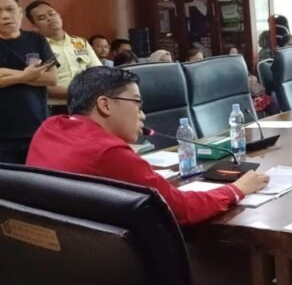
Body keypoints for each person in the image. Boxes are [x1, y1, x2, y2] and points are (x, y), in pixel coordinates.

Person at [26, 67, 269, 226]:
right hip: (115, 272)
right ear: (105, 105)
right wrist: (236, 189)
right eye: (137, 104)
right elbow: (181, 210)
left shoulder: (48, 128)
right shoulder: (108, 153)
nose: (142, 115)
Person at [0, 0, 58, 163]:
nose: (5, 16)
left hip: (38, 129)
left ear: (19, 11)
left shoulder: (36, 39)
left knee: (42, 177)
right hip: (3, 137)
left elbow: (51, 78)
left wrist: (7, 74)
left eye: (9, 9)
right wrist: (25, 76)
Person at [25, 0, 103, 115]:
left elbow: (99, 71)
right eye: (42, 18)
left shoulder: (80, 43)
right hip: (55, 109)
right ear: (35, 26)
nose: (50, 19)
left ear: (59, 15)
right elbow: (38, 84)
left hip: (88, 104)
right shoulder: (34, 49)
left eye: (51, 14)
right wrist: (76, 93)